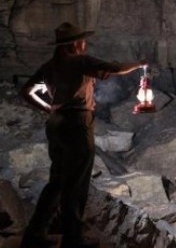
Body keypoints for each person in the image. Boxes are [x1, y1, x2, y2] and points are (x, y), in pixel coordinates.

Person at [20, 22, 147, 248]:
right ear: (73, 44)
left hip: (56, 123)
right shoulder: (80, 61)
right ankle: (73, 240)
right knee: (76, 183)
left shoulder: (49, 66)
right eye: (82, 41)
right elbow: (113, 68)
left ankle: (34, 235)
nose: (85, 44)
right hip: (77, 124)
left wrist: (48, 107)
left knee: (57, 181)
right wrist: (138, 64)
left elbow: (26, 91)